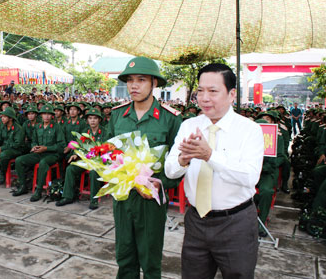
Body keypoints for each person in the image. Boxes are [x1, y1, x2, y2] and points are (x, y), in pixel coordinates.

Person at [165, 63, 264, 279]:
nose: (204, 98)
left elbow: (249, 177)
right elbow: (170, 170)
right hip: (196, 221)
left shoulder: (250, 130)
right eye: (200, 91)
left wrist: (210, 155)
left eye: (213, 91)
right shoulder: (189, 125)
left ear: (231, 94)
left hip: (235, 223)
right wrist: (184, 158)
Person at [107, 56, 182, 278]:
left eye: (141, 79)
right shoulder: (117, 115)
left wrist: (161, 183)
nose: (134, 85)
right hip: (123, 196)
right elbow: (107, 153)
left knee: (150, 260)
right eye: (130, 80)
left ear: (154, 83)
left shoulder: (170, 119)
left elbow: (180, 162)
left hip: (152, 198)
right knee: (124, 256)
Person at [56, 107, 105, 209]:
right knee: (70, 169)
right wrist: (75, 154)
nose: (92, 120)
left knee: (93, 172)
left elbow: (108, 149)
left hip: (98, 162)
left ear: (99, 120)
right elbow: (79, 145)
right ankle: (67, 196)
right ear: (87, 120)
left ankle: (94, 200)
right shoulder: (85, 132)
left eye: (95, 118)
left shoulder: (105, 132)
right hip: (86, 160)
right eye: (90, 118)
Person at [13, 104, 65, 198]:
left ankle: (39, 190)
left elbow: (61, 146)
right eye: (44, 114)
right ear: (41, 115)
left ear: (52, 116)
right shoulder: (38, 127)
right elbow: (34, 141)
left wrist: (46, 148)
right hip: (39, 153)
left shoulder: (56, 127)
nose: (46, 116)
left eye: (49, 114)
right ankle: (23, 186)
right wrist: (34, 147)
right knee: (19, 160)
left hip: (52, 155)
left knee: (43, 162)